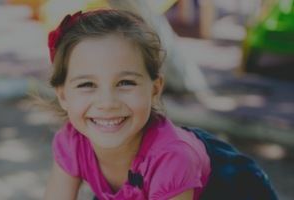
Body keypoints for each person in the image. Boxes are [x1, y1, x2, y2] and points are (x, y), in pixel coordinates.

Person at [42, 9, 211, 200]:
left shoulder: (173, 159)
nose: (107, 103)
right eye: (87, 84)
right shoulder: (73, 140)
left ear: (154, 90)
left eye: (125, 83)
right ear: (63, 96)